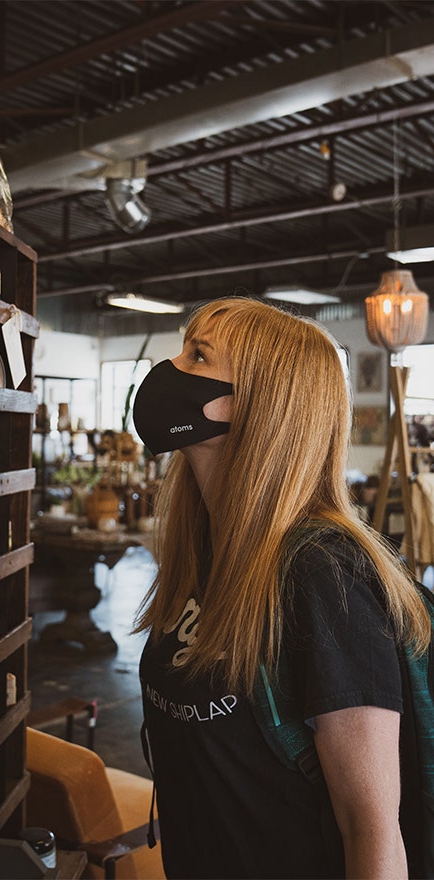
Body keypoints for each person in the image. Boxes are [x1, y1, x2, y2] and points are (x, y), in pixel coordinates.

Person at [131, 296, 430, 879]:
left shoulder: (323, 575)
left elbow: (373, 834)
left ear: (258, 406)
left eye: (198, 356)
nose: (172, 370)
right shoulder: (208, 548)